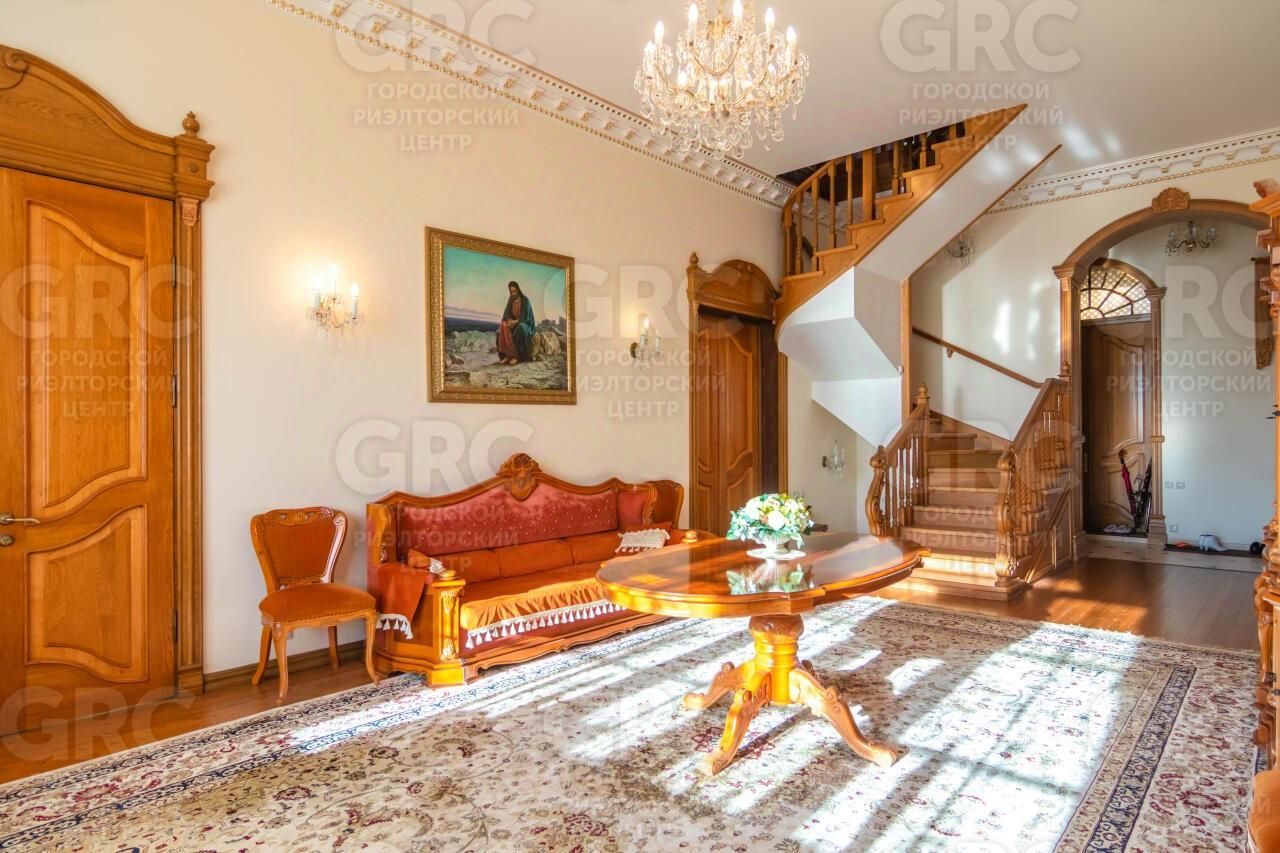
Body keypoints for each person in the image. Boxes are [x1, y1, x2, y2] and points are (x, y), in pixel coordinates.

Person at [496, 280, 536, 365]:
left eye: (514, 291)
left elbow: (526, 317)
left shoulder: (525, 300)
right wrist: (509, 320)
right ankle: (508, 355)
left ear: (518, 290)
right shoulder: (511, 299)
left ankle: (517, 356)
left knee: (521, 327)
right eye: (511, 292)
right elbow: (506, 314)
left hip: (525, 323)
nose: (513, 293)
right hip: (513, 323)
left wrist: (515, 322)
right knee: (503, 324)